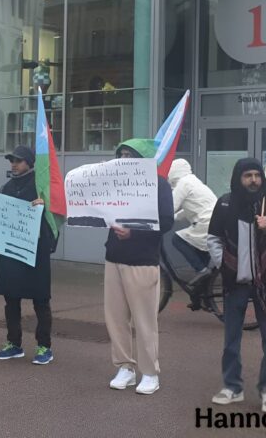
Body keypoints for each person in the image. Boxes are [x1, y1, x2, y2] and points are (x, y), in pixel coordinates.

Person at [207, 158, 266, 413]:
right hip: (236, 282)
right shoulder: (224, 203)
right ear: (238, 178)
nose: (253, 180)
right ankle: (232, 387)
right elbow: (213, 239)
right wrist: (226, 265)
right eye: (248, 175)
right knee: (231, 337)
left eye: (257, 175)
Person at [105, 139, 174, 395]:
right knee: (115, 318)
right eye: (120, 154)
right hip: (114, 258)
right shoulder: (116, 185)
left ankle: (150, 372)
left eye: (129, 154)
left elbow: (166, 220)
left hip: (142, 260)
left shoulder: (159, 185)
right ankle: (125, 366)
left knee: (144, 320)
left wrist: (133, 233)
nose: (123, 159)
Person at [0, 146, 57, 365]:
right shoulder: (6, 187)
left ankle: (44, 346)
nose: (14, 164)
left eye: (18, 161)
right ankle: (14, 344)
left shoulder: (41, 187)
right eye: (12, 161)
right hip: (10, 251)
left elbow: (57, 217)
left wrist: (44, 207)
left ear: (29, 162)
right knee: (11, 300)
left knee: (40, 300)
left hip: (36, 252)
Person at [167, 159, 218, 290]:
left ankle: (201, 270)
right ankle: (205, 289)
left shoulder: (183, 183)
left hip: (205, 222)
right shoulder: (193, 181)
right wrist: (174, 218)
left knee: (177, 239)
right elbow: (191, 207)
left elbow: (171, 206)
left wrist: (161, 215)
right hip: (212, 220)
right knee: (197, 247)